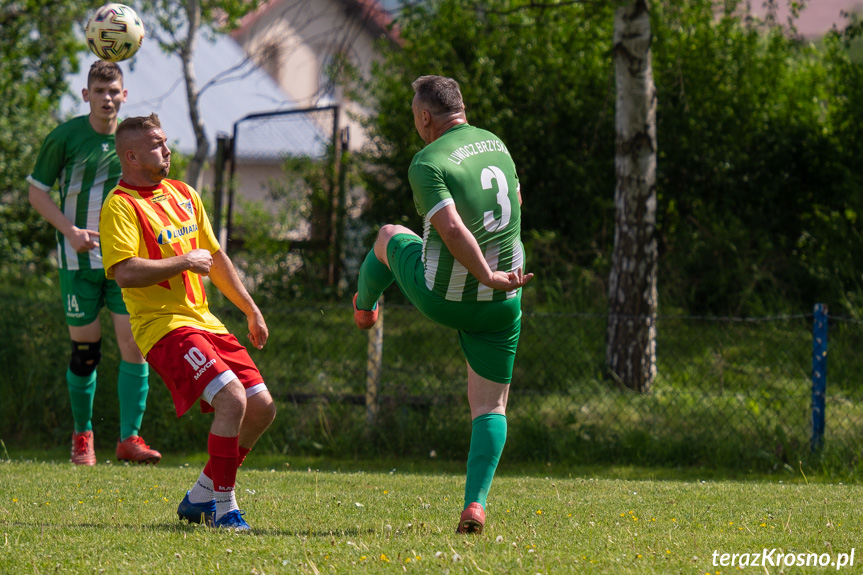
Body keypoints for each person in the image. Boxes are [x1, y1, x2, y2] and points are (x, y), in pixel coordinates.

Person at [353, 75, 534, 534]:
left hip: (445, 297)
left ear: (425, 117)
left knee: (390, 235)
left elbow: (452, 229)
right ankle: (475, 504)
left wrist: (481, 274)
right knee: (491, 408)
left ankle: (363, 305)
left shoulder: (427, 161)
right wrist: (495, 278)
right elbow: (514, 201)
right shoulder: (496, 143)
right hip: (503, 298)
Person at [99, 113, 277, 531]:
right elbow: (123, 271)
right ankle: (223, 508)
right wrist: (182, 260)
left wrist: (250, 309)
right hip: (163, 327)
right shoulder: (120, 206)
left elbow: (214, 259)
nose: (167, 149)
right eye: (158, 144)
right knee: (232, 400)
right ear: (131, 156)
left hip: (206, 322)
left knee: (263, 408)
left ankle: (199, 496)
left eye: (165, 141)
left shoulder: (184, 193)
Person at [27, 61, 161, 466]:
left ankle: (129, 439)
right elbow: (37, 193)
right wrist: (70, 231)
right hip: (77, 260)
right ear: (86, 96)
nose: (107, 98)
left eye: (113, 90)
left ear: (124, 95)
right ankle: (83, 437)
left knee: (134, 346)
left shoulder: (135, 142)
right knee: (85, 352)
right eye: (99, 91)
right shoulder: (66, 137)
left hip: (126, 261)